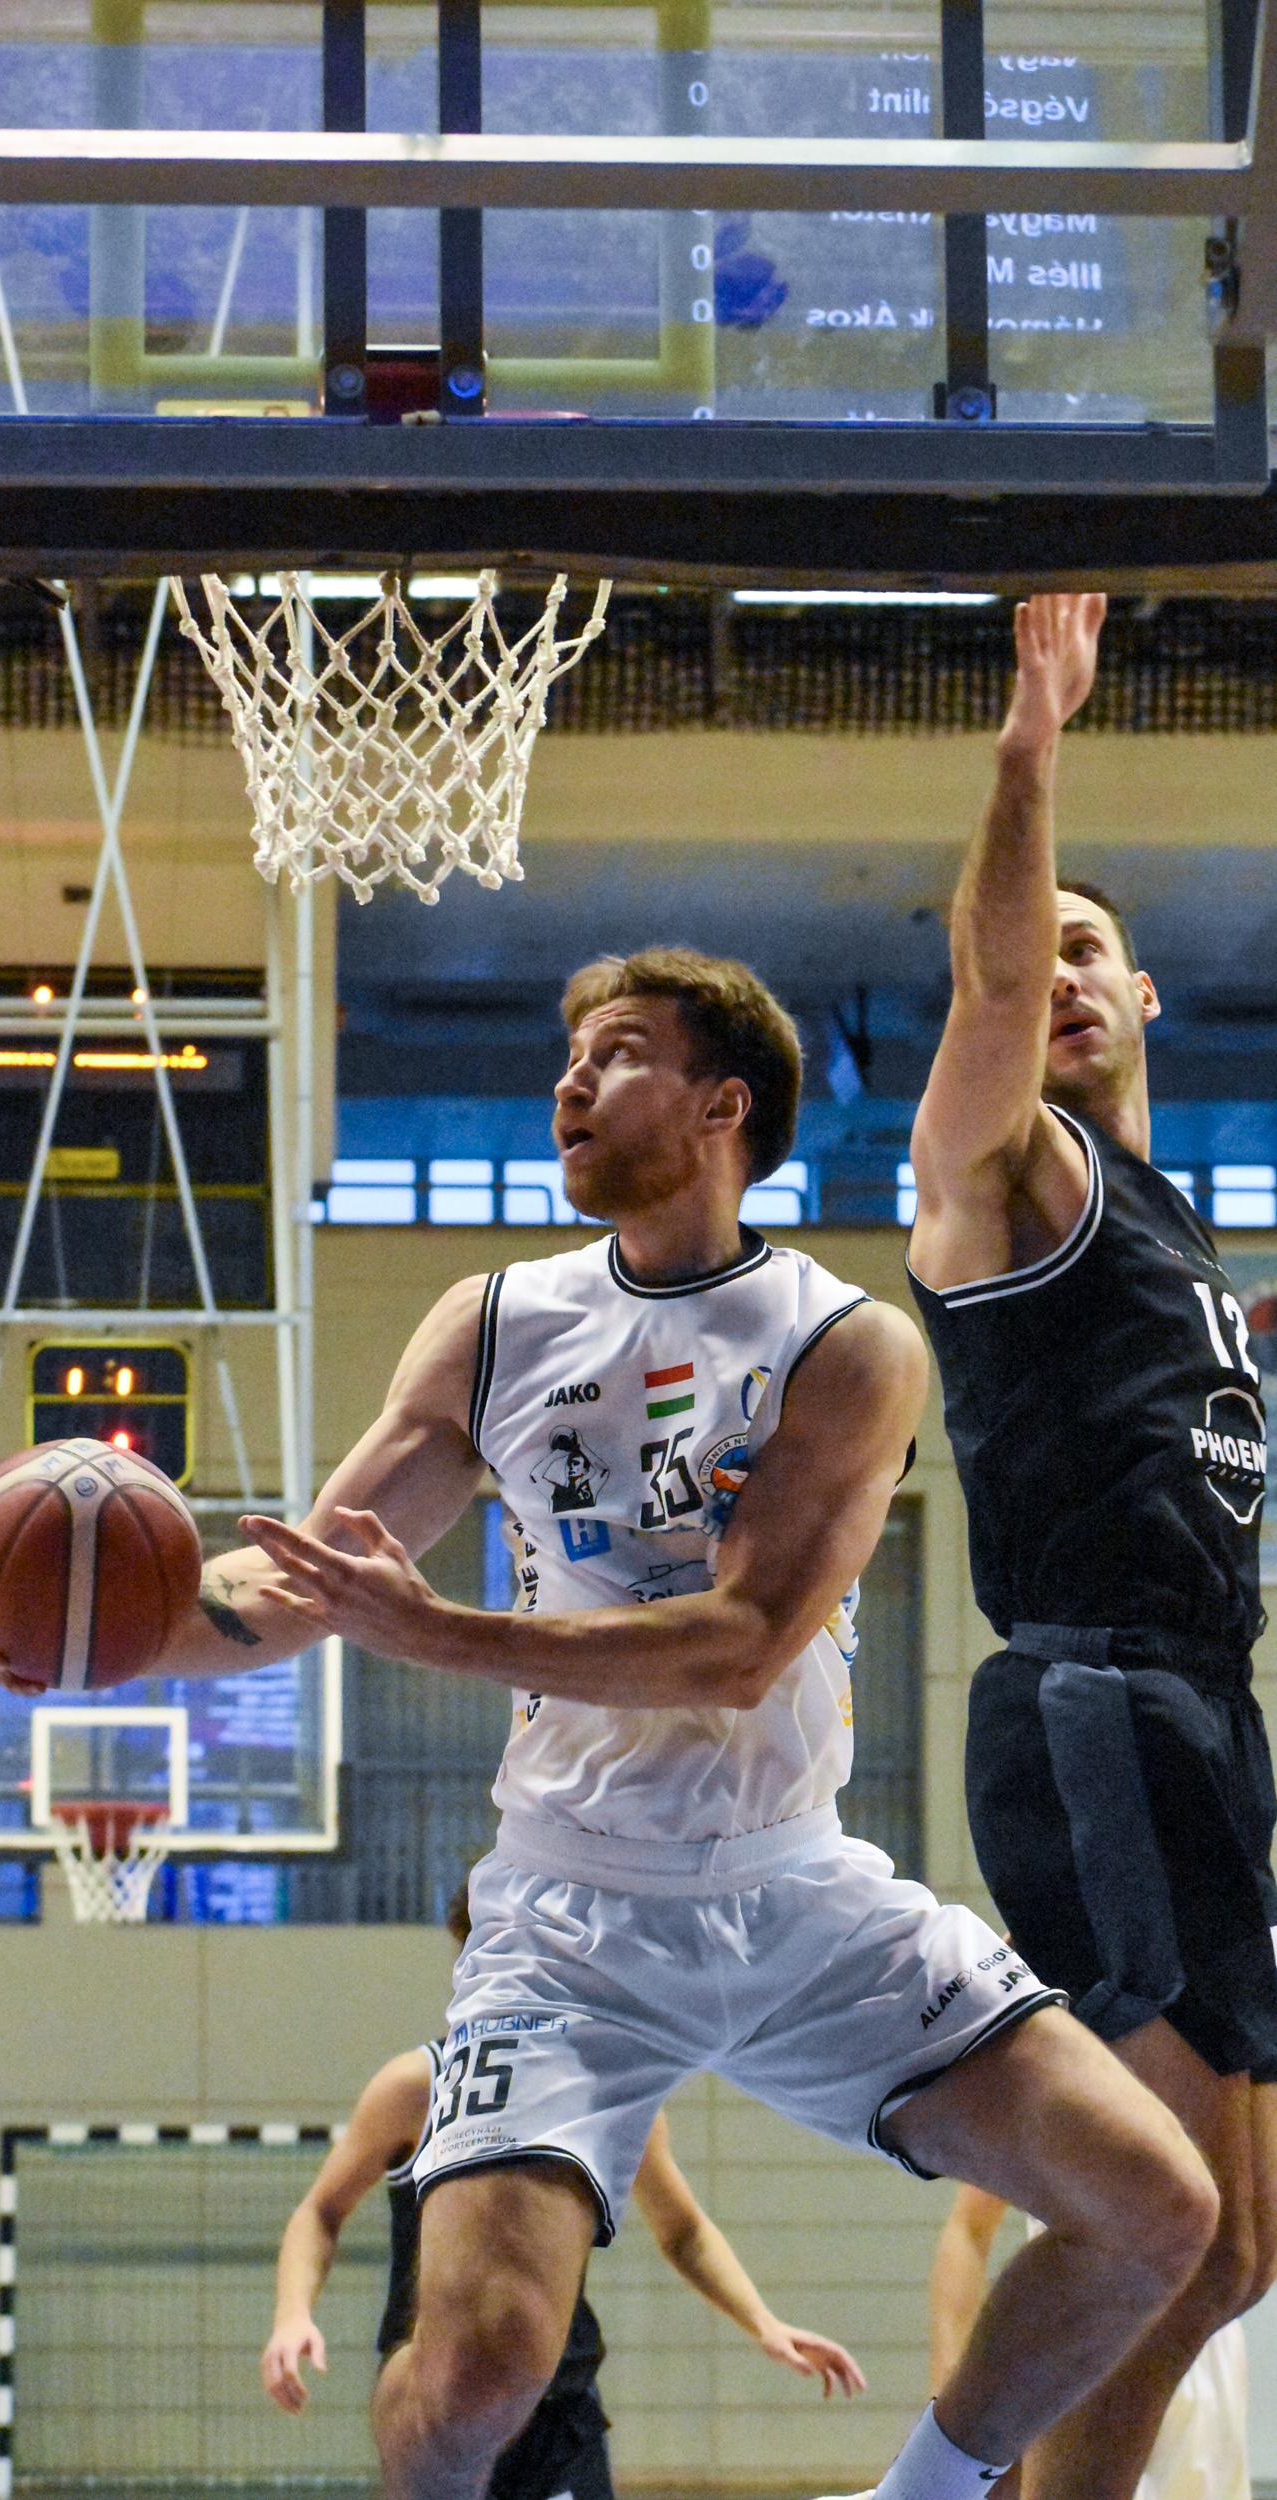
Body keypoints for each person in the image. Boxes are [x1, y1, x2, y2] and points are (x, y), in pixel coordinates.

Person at [0, 943, 1221, 2500]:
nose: (566, 1082)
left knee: (1156, 2208)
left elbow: (739, 1646)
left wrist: (435, 1631)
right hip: (567, 1916)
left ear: (721, 1106)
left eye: (613, 1053)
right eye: (568, 1057)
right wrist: (96, 1640)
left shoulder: (843, 1342)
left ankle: (918, 2497)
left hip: (795, 1891)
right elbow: (301, 1582)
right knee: (479, 2373)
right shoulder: (494, 1324)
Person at [906, 591, 1277, 2500]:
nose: (1052, 972)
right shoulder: (1008, 1171)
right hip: (1095, 1700)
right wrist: (1028, 746)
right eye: (1030, 944)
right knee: (1171, 2222)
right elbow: (988, 992)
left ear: (1147, 999)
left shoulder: (1169, 1223)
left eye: (1088, 949)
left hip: (1204, 1711)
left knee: (1231, 2251)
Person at [261, 1884, 866, 2500]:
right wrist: (292, 2315)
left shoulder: (605, 2086)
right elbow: (320, 2212)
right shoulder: (417, 2085)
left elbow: (683, 2230)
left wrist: (763, 2322)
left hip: (556, 2409)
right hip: (437, 2390)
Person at [929, 2184, 1250, 2500]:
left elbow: (1241, 2248)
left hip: (1201, 2343)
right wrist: (956, 2432)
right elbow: (970, 2226)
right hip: (1083, 2339)